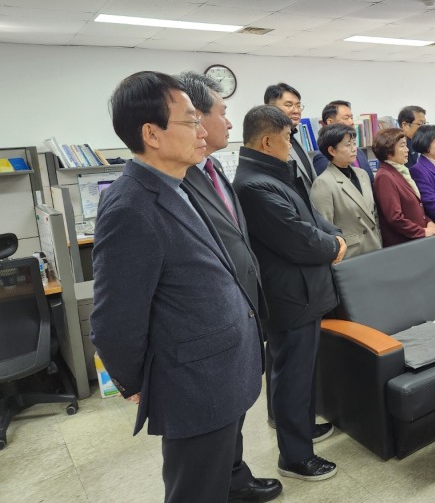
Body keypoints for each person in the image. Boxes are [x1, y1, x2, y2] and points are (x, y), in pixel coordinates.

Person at [90, 72, 266, 503]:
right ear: (151, 133)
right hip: (193, 383)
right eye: (190, 121)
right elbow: (115, 316)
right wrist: (134, 381)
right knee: (196, 491)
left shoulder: (177, 183)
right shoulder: (131, 206)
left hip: (219, 369)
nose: (202, 131)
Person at [178, 71, 281, 503]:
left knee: (236, 409)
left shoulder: (215, 166)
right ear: (196, 117)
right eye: (223, 112)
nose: (228, 122)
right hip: (211, 324)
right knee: (210, 430)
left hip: (244, 309)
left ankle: (235, 476)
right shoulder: (179, 178)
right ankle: (226, 479)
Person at [233, 105, 344, 482]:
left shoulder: (275, 173)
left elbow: (311, 217)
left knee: (301, 372)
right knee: (291, 375)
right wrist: (333, 247)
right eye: (286, 138)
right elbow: (298, 238)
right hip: (290, 296)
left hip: (304, 292)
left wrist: (333, 236)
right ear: (267, 140)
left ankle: (301, 428)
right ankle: (295, 458)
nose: (290, 144)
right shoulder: (253, 184)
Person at [310, 123, 381, 258]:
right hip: (351, 253)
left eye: (354, 143)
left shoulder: (362, 174)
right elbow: (325, 228)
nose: (354, 149)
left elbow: (374, 214)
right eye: (348, 145)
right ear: (332, 151)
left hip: (375, 245)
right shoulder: (323, 183)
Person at [372, 127, 435, 246]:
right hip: (403, 244)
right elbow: (394, 218)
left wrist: (428, 222)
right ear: (389, 149)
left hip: (416, 240)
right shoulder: (385, 176)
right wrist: (422, 231)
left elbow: (415, 208)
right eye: (402, 146)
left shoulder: (400, 171)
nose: (407, 150)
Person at [264, 82, 316, 192]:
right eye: (288, 105)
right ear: (270, 108)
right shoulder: (268, 144)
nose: (296, 110)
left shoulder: (294, 137)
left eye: (298, 105)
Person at [311, 100, 374, 184]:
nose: (352, 122)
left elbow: (371, 182)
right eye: (346, 118)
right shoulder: (323, 156)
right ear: (330, 122)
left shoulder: (358, 151)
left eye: (351, 118)